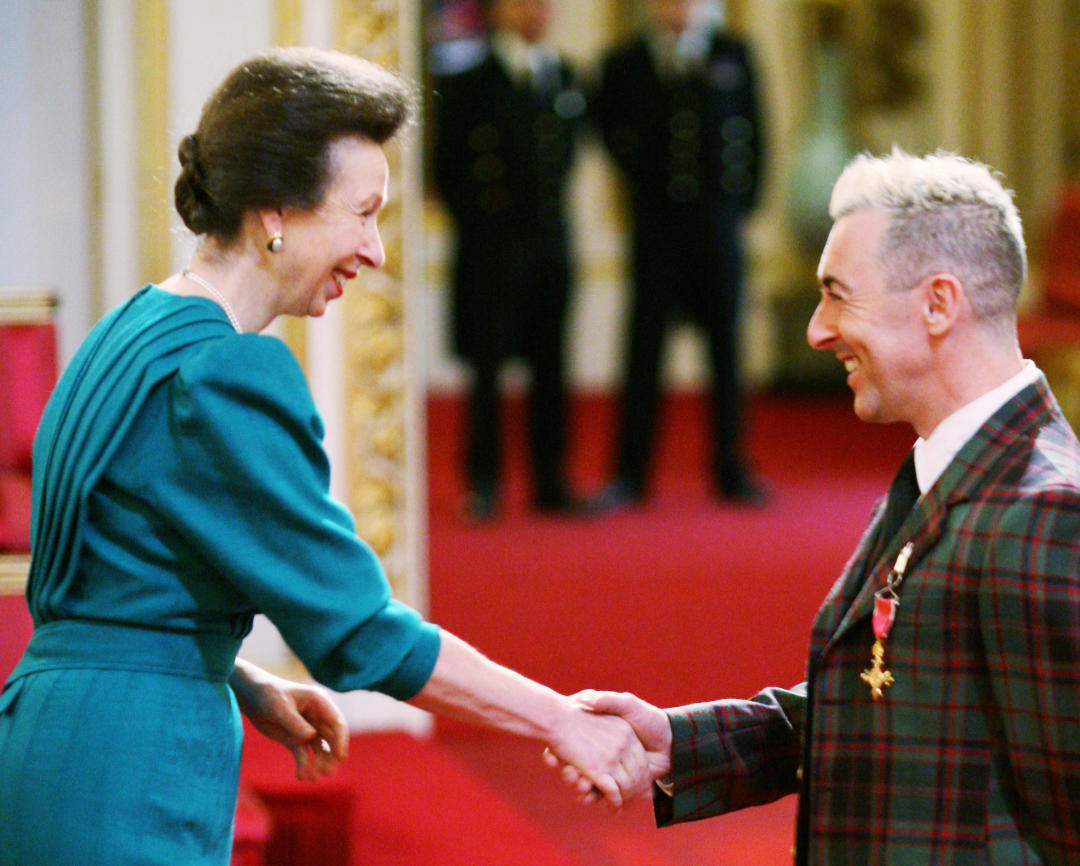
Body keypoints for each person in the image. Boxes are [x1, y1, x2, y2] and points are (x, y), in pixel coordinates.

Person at [0, 47, 650, 865]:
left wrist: (245, 681)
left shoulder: (131, 330)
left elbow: (109, 588)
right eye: (364, 212)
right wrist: (560, 720)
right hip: (131, 771)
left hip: (51, 744)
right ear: (276, 211)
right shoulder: (228, 373)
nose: (376, 251)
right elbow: (361, 631)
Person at [560, 149, 1080, 863]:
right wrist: (684, 744)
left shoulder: (1044, 518)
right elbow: (893, 702)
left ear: (939, 304)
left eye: (838, 295)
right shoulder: (961, 467)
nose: (818, 329)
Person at [590, 0, 767, 511]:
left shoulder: (734, 54)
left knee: (726, 350)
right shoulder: (623, 62)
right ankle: (630, 473)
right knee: (643, 349)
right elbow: (609, 130)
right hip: (656, 227)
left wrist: (741, 205)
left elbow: (756, 132)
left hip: (717, 225)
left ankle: (730, 467)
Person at [432, 0, 587, 523]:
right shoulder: (469, 79)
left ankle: (550, 477)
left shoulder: (563, 75)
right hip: (491, 243)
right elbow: (445, 167)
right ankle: (484, 482)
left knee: (552, 364)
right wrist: (481, 222)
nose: (538, 11)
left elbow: (566, 156)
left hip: (549, 241)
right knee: (488, 366)